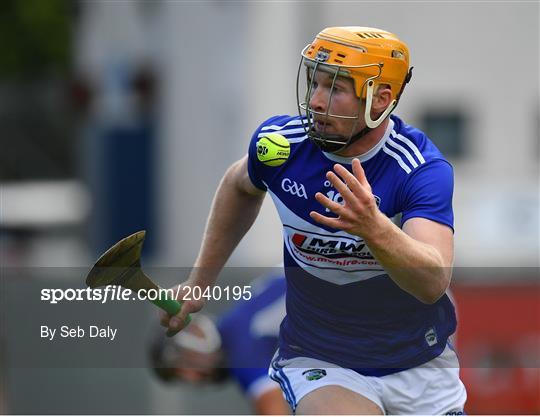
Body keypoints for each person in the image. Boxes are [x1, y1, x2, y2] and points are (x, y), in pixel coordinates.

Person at [162, 26, 467, 414]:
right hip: (322, 357)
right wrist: (199, 281)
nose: (317, 101)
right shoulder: (280, 146)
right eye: (315, 83)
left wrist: (374, 229)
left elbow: (433, 282)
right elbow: (239, 186)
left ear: (379, 100)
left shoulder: (420, 168)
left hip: (418, 362)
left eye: (335, 89)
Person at [152, 271, 289, 415]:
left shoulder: (241, 351)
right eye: (180, 377)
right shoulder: (241, 323)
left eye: (184, 365)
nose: (191, 378)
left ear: (195, 331)